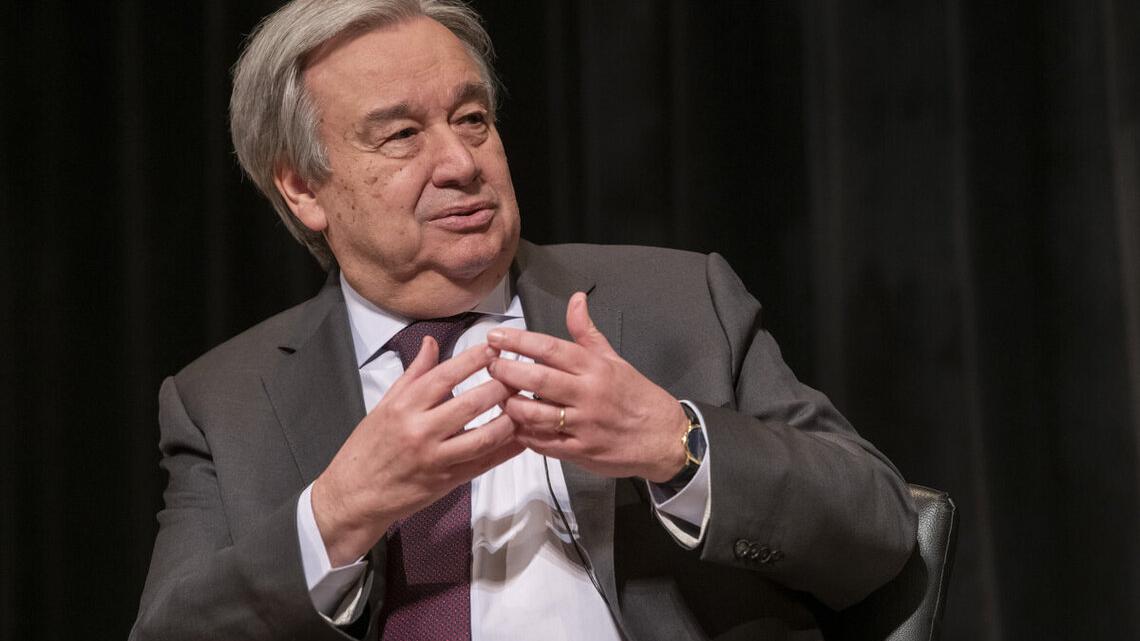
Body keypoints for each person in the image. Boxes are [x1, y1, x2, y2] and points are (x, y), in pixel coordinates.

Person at [131, 1, 917, 639]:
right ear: (303, 188)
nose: (461, 162)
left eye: (472, 118)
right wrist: (339, 512)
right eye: (402, 135)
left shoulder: (676, 302)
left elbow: (882, 528)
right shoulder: (224, 402)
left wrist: (676, 444)